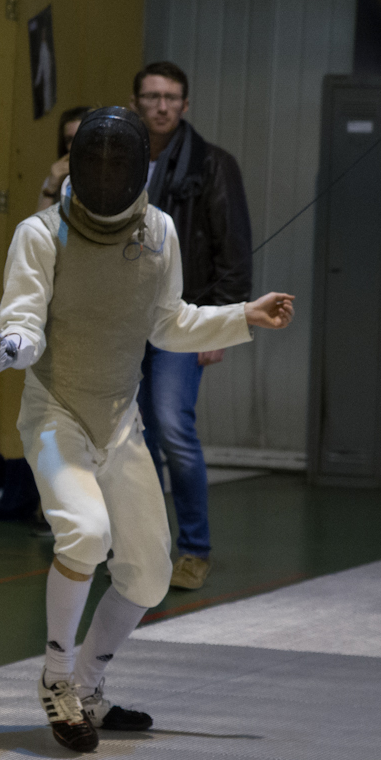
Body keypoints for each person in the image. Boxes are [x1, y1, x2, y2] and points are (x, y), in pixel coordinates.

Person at [0, 106, 292, 753]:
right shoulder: (41, 234)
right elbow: (25, 327)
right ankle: (57, 679)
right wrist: (4, 348)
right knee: (86, 532)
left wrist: (243, 316)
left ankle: (88, 686)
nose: (107, 176)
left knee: (148, 573)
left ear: (140, 171)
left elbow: (167, 323)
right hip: (57, 413)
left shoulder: (160, 231)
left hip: (120, 420)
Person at [129, 62, 252, 591]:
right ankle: (145, 547)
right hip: (127, 316)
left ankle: (195, 549)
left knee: (172, 425)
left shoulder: (213, 164)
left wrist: (221, 324)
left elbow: (234, 247)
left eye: (171, 97)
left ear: (185, 105)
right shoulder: (121, 158)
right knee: (135, 436)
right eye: (152, 96)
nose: (162, 106)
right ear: (136, 103)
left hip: (185, 314)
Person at [37, 104, 91, 210]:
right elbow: (39, 220)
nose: (74, 144)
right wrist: (51, 187)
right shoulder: (59, 178)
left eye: (80, 136)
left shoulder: (109, 176)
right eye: (69, 140)